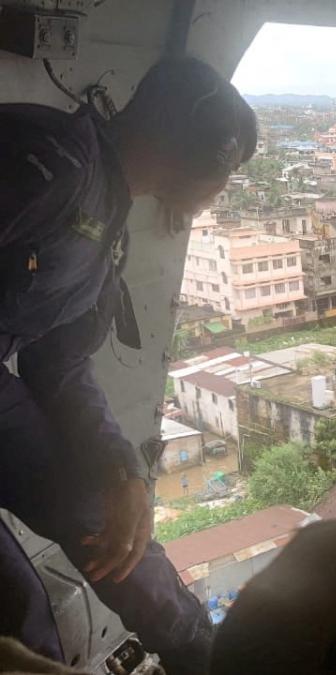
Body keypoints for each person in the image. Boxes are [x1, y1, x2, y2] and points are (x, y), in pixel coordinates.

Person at [0, 57, 256, 673]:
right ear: (203, 158)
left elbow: (58, 360)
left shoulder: (102, 206)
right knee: (20, 612)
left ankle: (201, 652)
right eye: (230, 168)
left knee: (99, 516)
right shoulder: (44, 167)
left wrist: (122, 470)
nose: (225, 187)